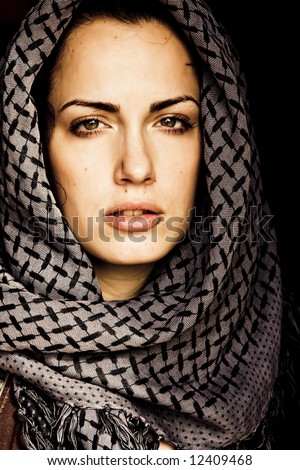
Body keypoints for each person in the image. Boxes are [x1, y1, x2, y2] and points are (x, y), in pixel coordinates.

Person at [0, 0, 299, 451]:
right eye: (91, 124)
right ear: (34, 147)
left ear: (214, 142)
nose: (136, 167)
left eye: (172, 121)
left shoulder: (266, 335)